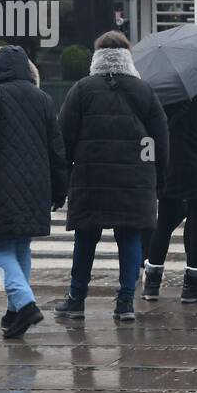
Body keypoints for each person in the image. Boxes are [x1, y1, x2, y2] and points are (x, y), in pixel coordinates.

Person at [55, 32, 169, 322]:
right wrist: (158, 177)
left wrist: (64, 174)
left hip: (89, 176)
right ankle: (125, 303)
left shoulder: (82, 89)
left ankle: (77, 300)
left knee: (85, 238)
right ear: (127, 55)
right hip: (134, 179)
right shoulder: (143, 90)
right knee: (130, 237)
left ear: (97, 56)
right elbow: (160, 140)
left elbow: (63, 137)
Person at [0, 45, 68, 338]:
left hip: (0, 184)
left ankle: (25, 304)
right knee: (21, 246)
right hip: (36, 185)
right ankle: (14, 312)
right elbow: (56, 149)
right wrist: (60, 189)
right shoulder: (43, 98)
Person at [141, 83, 197, 304]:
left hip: (171, 166)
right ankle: (191, 285)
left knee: (163, 222)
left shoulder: (162, 92)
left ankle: (152, 283)